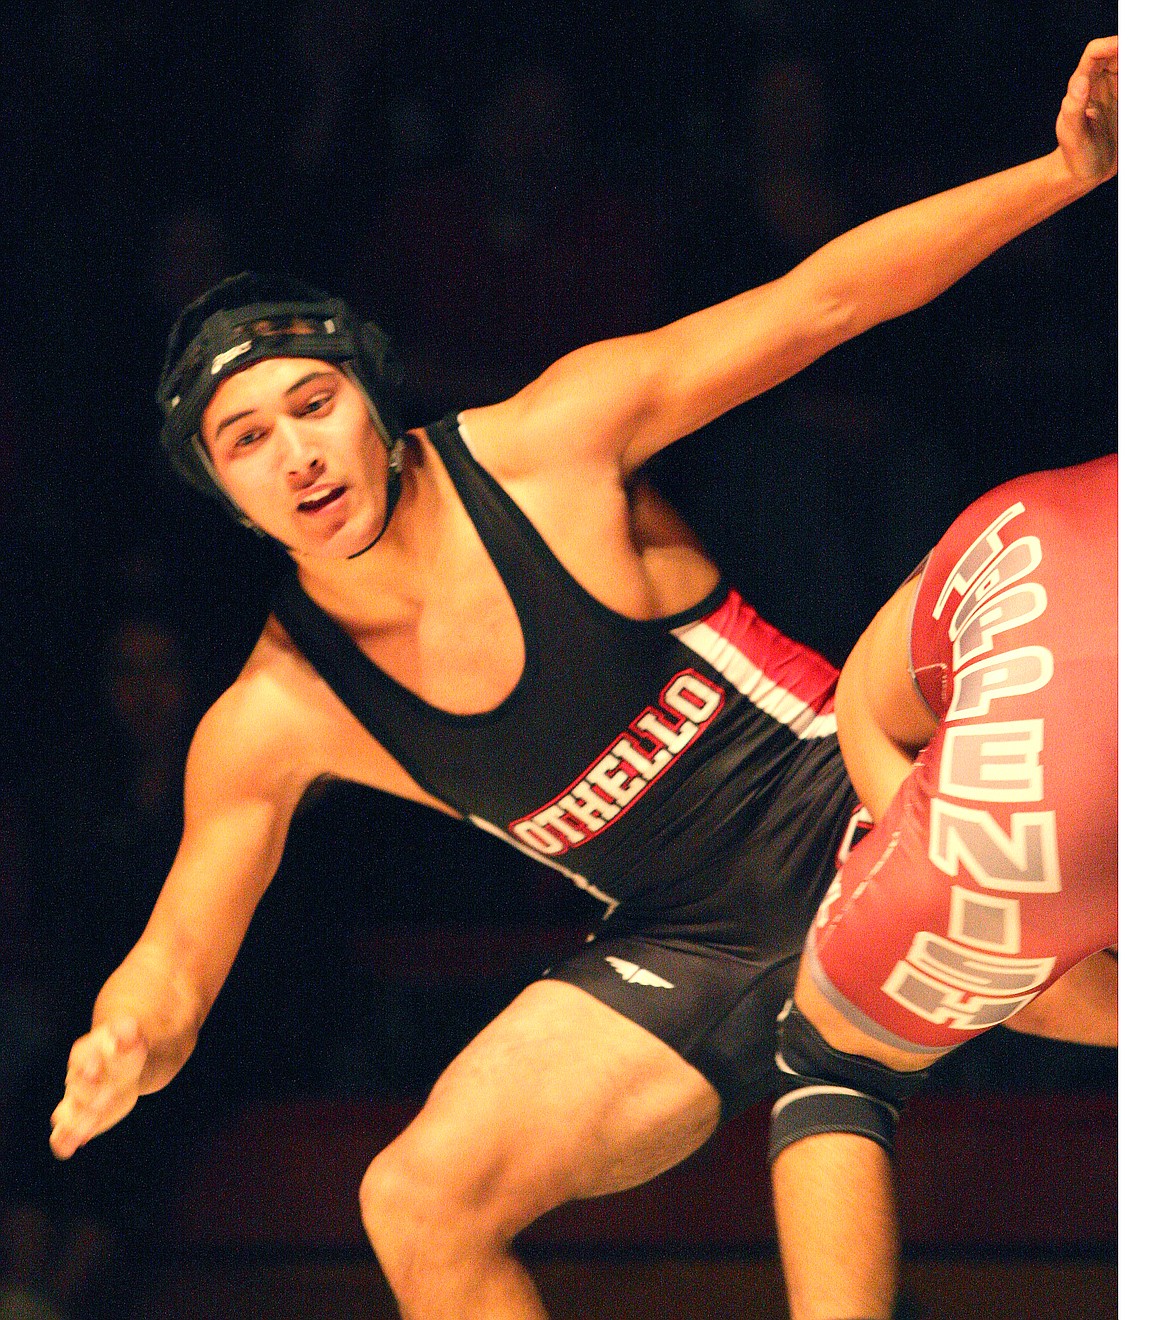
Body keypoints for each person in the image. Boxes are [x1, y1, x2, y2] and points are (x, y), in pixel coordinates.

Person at [50, 37, 1117, 1320]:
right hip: (689, 948)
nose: (297, 455)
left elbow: (824, 301)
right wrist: (131, 1042)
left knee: (1107, 1009)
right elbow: (177, 956)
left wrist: (1064, 173)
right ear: (223, 494)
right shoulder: (276, 710)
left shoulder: (550, 444)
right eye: (246, 440)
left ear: (373, 401)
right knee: (419, 1200)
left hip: (866, 816)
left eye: (313, 403)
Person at [770, 453, 1118, 1320]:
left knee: (837, 1066)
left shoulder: (995, 532)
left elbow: (864, 701)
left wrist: (947, 850)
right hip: (1048, 753)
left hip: (1042, 760)